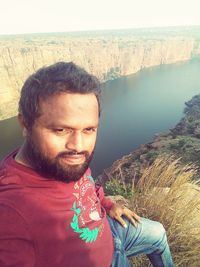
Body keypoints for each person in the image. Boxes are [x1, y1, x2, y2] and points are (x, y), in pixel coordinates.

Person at [0, 62, 174, 267]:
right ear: (25, 124)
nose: (78, 146)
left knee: (159, 234)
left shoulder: (62, 160)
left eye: (89, 129)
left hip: (111, 231)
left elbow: (86, 185)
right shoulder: (11, 210)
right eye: (61, 130)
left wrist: (107, 204)